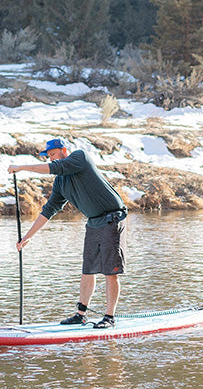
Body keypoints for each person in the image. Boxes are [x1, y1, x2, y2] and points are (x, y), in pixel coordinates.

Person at [7, 138, 128, 328]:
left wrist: (21, 167)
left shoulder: (80, 157)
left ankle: (109, 317)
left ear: (64, 150)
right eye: (49, 156)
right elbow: (48, 211)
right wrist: (27, 237)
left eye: (53, 154)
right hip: (94, 222)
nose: (51, 159)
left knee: (110, 272)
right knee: (87, 270)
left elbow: (55, 167)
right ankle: (80, 314)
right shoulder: (60, 183)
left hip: (113, 218)